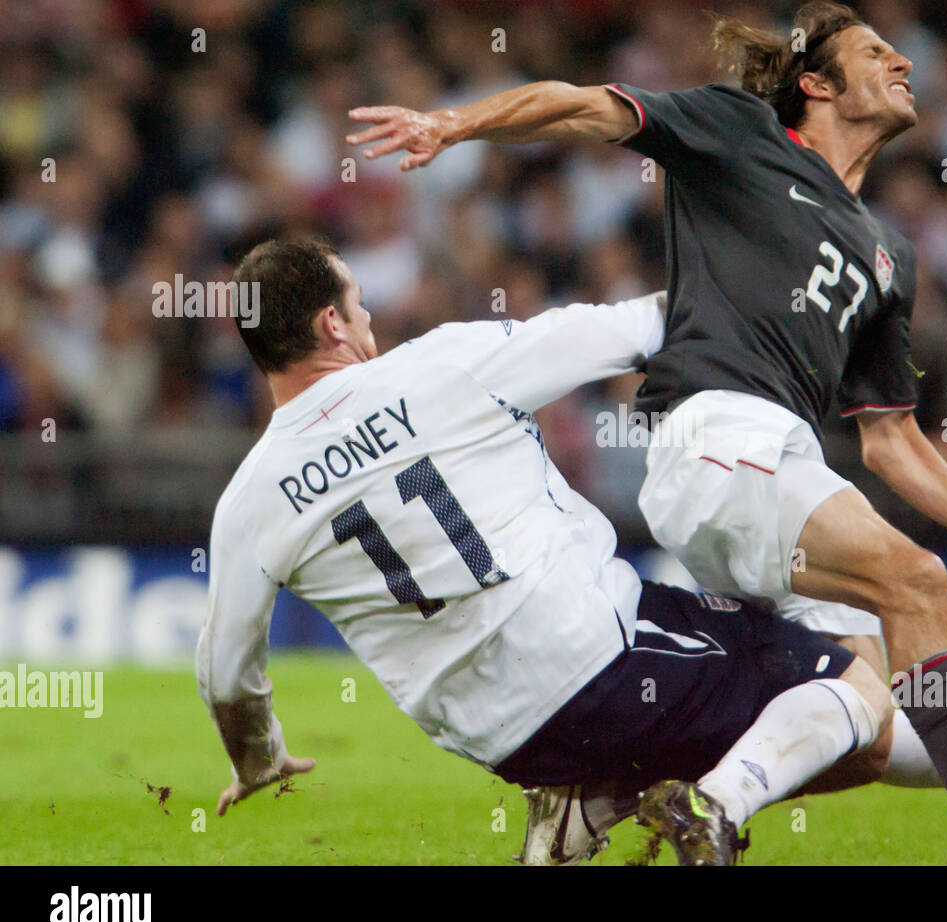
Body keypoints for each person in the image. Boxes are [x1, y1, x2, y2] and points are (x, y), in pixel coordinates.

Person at [346, 2, 947, 865]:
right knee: (915, 578)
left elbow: (892, 444)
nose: (903, 61)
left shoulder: (888, 255)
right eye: (875, 51)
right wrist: (455, 124)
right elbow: (584, 104)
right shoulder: (741, 131)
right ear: (817, 84)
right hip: (717, 438)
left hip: (777, 464)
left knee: (860, 717)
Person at [197, 237, 906, 866]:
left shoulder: (250, 501)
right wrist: (756, 293)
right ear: (331, 324)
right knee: (860, 698)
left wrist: (260, 761)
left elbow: (227, 678)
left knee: (807, 724)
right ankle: (711, 803)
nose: (371, 318)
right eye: (358, 302)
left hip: (511, 745)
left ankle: (596, 794)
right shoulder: (443, 365)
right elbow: (626, 330)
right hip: (602, 655)